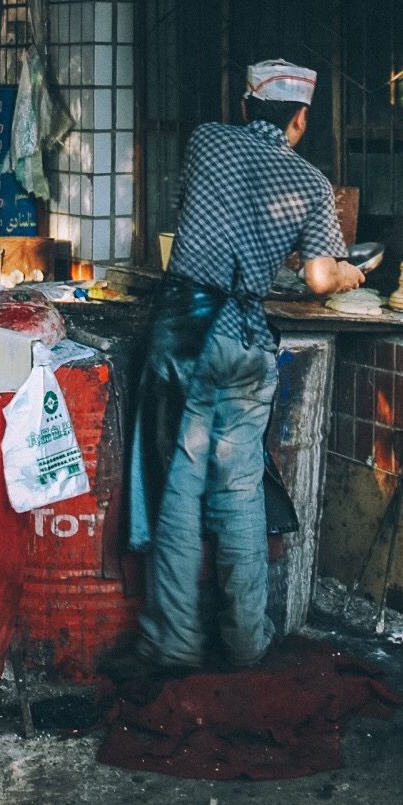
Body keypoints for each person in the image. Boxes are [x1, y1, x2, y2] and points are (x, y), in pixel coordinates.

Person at [109, 59, 364, 678]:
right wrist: (352, 272)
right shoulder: (310, 182)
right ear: (300, 117)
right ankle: (249, 641)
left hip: (188, 333)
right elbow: (320, 278)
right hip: (250, 344)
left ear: (247, 105)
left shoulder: (205, 140)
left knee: (180, 488)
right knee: (241, 490)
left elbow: (195, 224)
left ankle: (173, 643)